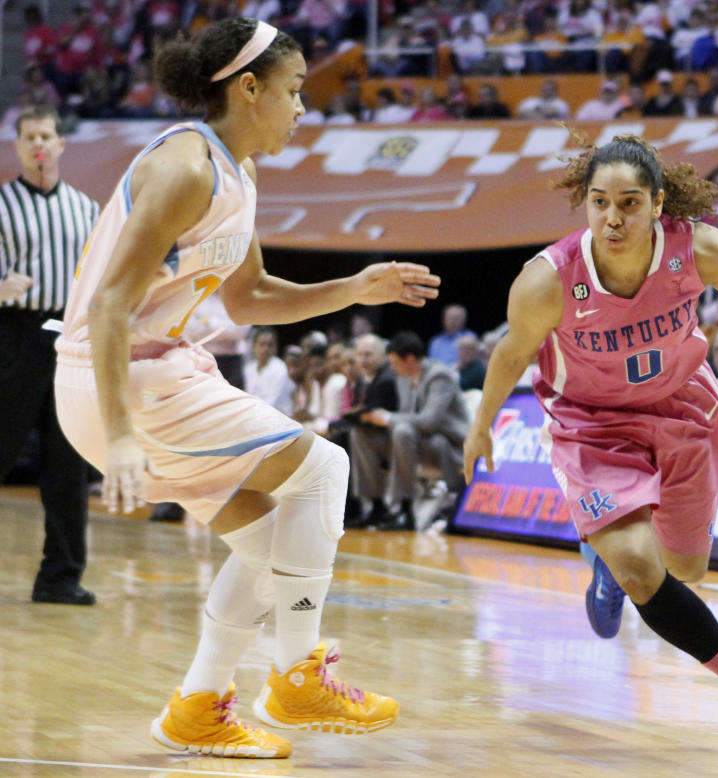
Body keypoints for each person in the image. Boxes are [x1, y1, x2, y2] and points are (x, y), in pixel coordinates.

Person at [53, 18, 440, 759]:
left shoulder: (238, 171)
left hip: (153, 374)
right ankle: (297, 674)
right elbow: (108, 306)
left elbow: (251, 298)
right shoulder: (187, 168)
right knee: (325, 467)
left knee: (273, 550)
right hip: (124, 378)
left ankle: (198, 706)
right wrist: (123, 435)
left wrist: (356, 285)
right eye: (295, 90)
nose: (303, 109)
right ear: (249, 87)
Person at [462, 132, 718, 757]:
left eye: (628, 203)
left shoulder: (694, 248)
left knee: (685, 570)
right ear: (585, 205)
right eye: (599, 203)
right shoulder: (548, 280)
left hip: (682, 409)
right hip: (593, 425)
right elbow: (512, 352)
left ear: (658, 203)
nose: (612, 218)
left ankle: (608, 566)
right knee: (645, 570)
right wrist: (482, 422)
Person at [0, 104, 100, 606]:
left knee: (69, 463)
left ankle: (60, 577)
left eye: (47, 136)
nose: (38, 144)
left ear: (61, 144)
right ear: (17, 147)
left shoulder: (87, 209)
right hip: (14, 334)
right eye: (29, 137)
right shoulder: (1, 204)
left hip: (70, 336)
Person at [361, 331, 470, 530]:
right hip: (417, 441)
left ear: (409, 359)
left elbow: (429, 421)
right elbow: (408, 418)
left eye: (394, 362)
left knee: (402, 430)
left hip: (449, 445)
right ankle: (377, 504)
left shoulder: (440, 376)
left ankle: (404, 508)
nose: (391, 368)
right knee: (361, 434)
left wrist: (388, 418)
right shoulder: (403, 378)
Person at [345, 333, 399, 528]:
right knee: (346, 437)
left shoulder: (387, 378)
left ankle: (372, 504)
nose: (362, 360)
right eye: (359, 355)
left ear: (382, 355)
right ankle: (356, 504)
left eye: (368, 354)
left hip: (394, 439)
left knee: (353, 436)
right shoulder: (362, 380)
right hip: (378, 435)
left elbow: (371, 416)